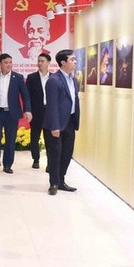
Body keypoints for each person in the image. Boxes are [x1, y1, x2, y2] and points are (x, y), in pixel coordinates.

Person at [43, 49, 80, 195]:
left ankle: (61, 180)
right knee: (55, 154)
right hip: (56, 124)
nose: (75, 62)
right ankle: (53, 183)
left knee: (66, 154)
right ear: (63, 62)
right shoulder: (54, 80)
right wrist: (54, 126)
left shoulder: (74, 79)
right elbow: (51, 105)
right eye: (72, 60)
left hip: (70, 121)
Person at [0, 54, 32, 174]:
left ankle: (7, 164)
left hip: (12, 113)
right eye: (6, 62)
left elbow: (25, 95)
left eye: (10, 62)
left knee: (10, 139)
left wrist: (27, 110)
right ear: (0, 64)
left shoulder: (18, 77)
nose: (8, 65)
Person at [25, 53, 51, 169]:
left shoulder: (54, 77)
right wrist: (28, 110)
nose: (39, 63)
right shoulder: (32, 77)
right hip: (36, 111)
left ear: (48, 63)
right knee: (34, 136)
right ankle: (36, 159)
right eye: (38, 61)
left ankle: (50, 161)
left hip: (49, 111)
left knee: (49, 137)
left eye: (42, 61)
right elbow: (27, 96)